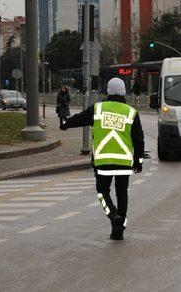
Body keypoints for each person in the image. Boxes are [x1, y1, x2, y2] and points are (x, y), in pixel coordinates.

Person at [60, 78, 145, 240]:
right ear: (123, 92)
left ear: (107, 91)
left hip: (103, 162)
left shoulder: (98, 109)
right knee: (122, 194)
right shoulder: (131, 112)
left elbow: (79, 119)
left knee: (102, 192)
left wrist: (65, 123)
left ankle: (113, 216)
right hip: (123, 163)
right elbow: (139, 139)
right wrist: (138, 161)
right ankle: (119, 229)